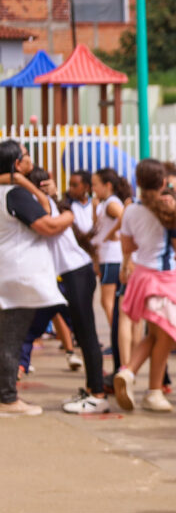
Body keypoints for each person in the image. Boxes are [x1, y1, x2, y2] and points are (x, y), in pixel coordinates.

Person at [3, 167, 109, 412]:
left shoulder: (39, 205)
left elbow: (51, 224)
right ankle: (93, 389)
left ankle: (98, 394)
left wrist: (20, 181)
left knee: (86, 332)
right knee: (46, 329)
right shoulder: (31, 204)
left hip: (76, 271)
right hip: (62, 275)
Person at [112, 159, 176, 414]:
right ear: (163, 182)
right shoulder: (167, 207)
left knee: (156, 334)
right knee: (165, 335)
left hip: (142, 276)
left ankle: (127, 372)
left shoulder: (131, 211)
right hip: (164, 277)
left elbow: (127, 246)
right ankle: (153, 390)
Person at [0, 140, 68, 417]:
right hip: (19, 278)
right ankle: (7, 397)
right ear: (17, 164)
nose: (31, 161)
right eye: (26, 157)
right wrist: (69, 217)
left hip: (11, 274)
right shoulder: (14, 194)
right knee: (11, 338)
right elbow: (48, 224)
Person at [91, 168, 127, 357]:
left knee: (108, 301)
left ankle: (118, 340)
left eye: (96, 184)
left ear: (108, 185)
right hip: (107, 258)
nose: (93, 188)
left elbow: (125, 216)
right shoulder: (104, 203)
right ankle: (119, 340)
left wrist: (113, 234)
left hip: (112, 258)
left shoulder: (112, 203)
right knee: (109, 301)